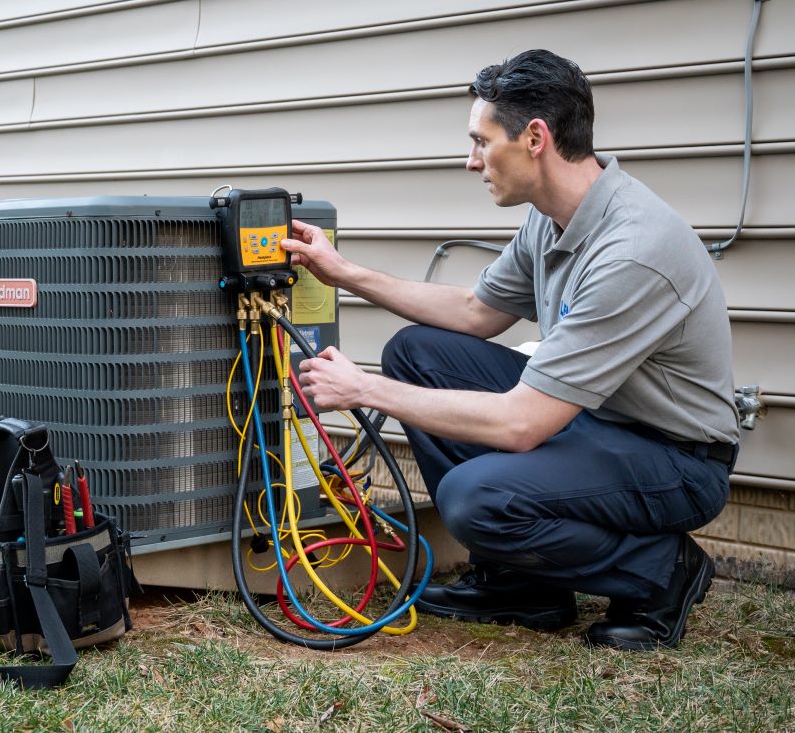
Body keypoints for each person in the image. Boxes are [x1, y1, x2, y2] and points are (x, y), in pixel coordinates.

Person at [284, 49, 740, 651]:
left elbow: (524, 423)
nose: (470, 161)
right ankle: (519, 583)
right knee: (418, 352)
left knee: (474, 501)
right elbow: (477, 312)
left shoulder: (631, 251)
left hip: (675, 460)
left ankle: (661, 571)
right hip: (596, 423)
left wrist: (366, 390)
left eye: (481, 141)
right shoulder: (552, 218)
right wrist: (345, 273)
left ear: (534, 138)